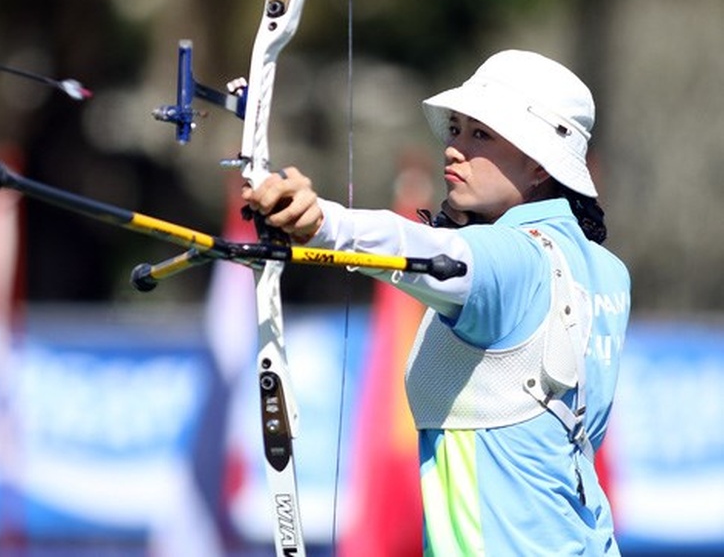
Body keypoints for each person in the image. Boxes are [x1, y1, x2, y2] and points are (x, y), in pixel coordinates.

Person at [242, 50, 631, 555]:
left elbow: (432, 252)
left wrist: (324, 224)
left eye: (481, 134)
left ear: (540, 164)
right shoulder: (606, 270)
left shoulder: (513, 259)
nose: (453, 149)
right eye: (455, 128)